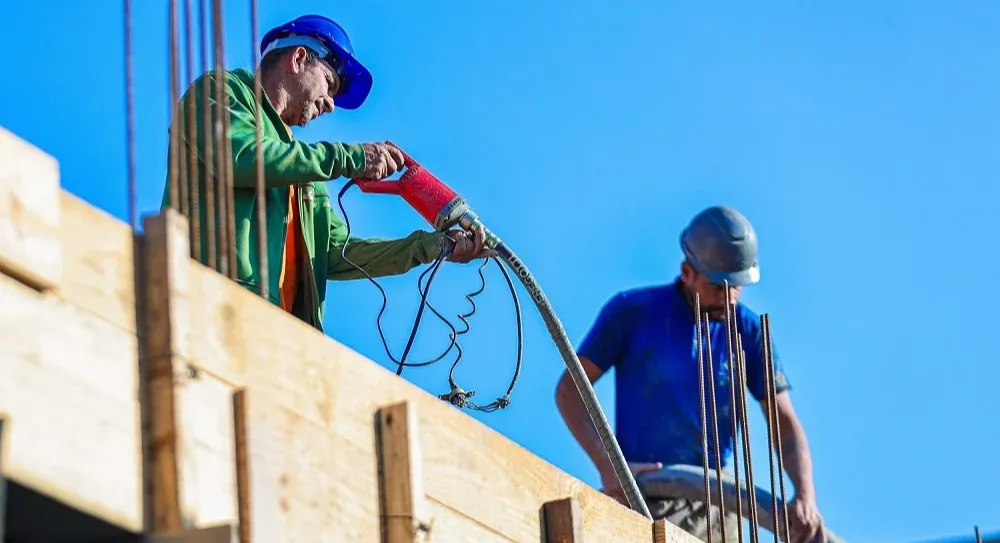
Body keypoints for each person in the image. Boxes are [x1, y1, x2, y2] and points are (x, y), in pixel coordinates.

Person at [161, 14, 489, 330]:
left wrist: (431, 246)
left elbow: (337, 253)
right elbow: (241, 155)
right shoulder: (221, 93)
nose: (330, 104)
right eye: (329, 84)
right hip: (209, 307)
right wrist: (349, 157)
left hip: (278, 338)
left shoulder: (303, 174)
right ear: (299, 58)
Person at [555, 205, 825, 543]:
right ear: (687, 272)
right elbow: (569, 391)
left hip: (717, 511)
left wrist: (805, 495)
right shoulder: (632, 312)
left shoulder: (749, 332)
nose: (729, 298)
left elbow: (783, 421)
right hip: (642, 498)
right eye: (718, 286)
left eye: (737, 287)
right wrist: (610, 467)